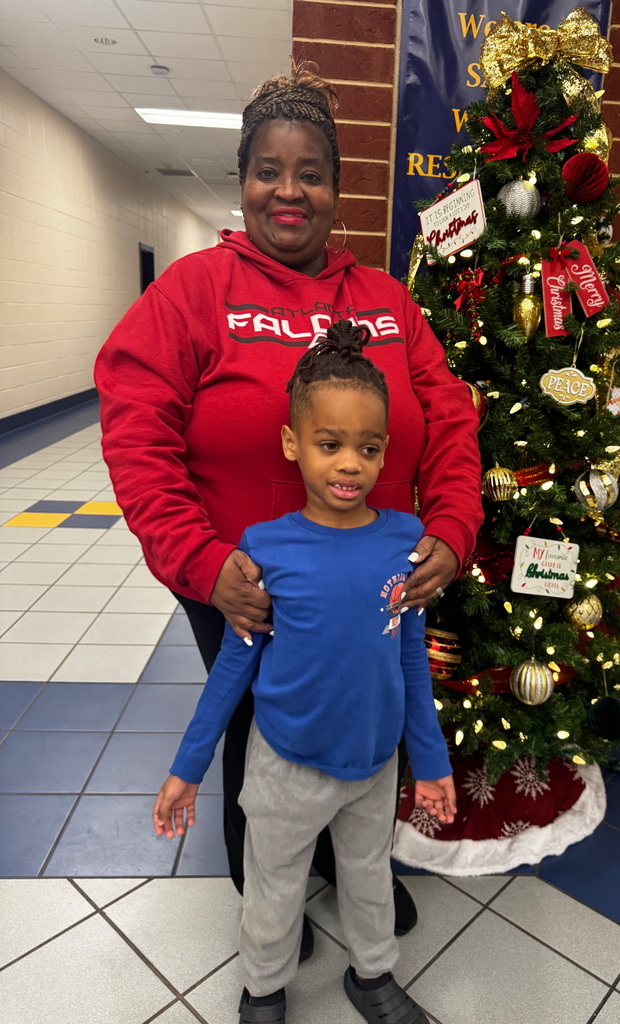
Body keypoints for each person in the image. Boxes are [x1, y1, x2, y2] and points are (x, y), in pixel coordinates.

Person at [95, 65, 482, 947]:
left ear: (339, 188)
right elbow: (136, 431)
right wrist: (200, 563)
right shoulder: (195, 291)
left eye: (311, 172)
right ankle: (270, 890)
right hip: (243, 583)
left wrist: (453, 532)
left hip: (373, 581)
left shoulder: (387, 302)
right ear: (243, 181)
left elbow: (452, 420)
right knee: (257, 723)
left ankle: (356, 871)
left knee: (370, 709)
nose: (289, 190)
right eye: (268, 170)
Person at [153, 322, 457, 1024]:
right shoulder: (264, 549)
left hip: (374, 766)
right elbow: (232, 673)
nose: (349, 464)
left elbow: (411, 660)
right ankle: (263, 986)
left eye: (368, 447)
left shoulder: (405, 543)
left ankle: (373, 975)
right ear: (294, 444)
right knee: (274, 885)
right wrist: (187, 768)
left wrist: (431, 763)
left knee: (368, 877)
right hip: (285, 768)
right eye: (330, 444)